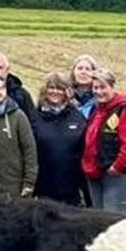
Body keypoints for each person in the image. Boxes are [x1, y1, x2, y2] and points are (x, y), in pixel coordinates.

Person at [82, 69, 126, 212]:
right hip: (96, 172)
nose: (99, 92)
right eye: (95, 88)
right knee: (99, 218)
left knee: (113, 219)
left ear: (112, 87)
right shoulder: (97, 111)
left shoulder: (124, 110)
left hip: (118, 174)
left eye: (103, 87)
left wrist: (116, 167)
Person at [29, 71, 90, 207]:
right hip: (43, 188)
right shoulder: (34, 117)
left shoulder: (77, 117)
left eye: (60, 88)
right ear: (44, 90)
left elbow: (85, 150)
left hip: (72, 188)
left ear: (66, 92)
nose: (55, 92)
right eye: (51, 87)